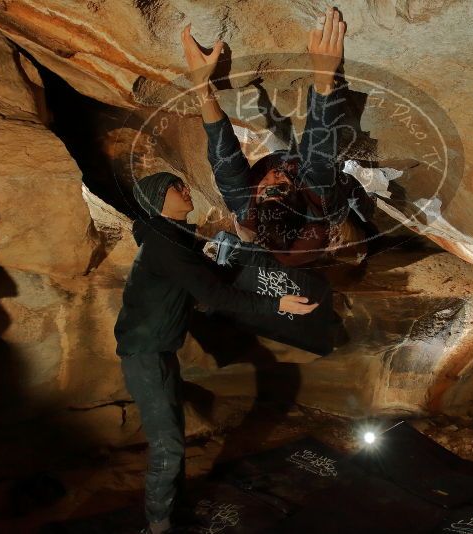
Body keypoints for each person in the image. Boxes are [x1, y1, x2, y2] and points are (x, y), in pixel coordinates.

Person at [114, 171, 318, 534]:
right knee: (169, 444)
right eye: (176, 187)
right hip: (146, 353)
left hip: (156, 351)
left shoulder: (172, 238)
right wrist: (279, 303)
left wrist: (233, 252)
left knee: (171, 437)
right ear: (159, 199)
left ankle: (168, 516)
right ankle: (158, 527)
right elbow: (214, 295)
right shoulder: (165, 243)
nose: (185, 189)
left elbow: (211, 281)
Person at [181, 7, 357, 267]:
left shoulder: (245, 207)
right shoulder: (314, 194)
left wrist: (201, 85)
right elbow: (318, 150)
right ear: (296, 194)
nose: (274, 177)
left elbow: (225, 157)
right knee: (350, 230)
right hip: (328, 209)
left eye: (267, 190)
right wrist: (324, 75)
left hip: (270, 232)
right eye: (282, 186)